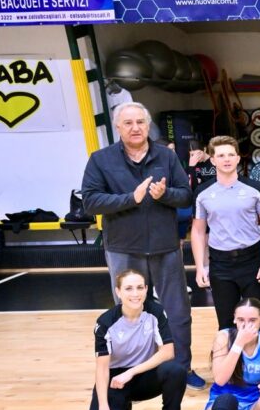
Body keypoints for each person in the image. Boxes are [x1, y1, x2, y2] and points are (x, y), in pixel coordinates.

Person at [81, 102, 197, 389]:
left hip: (165, 247)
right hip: (123, 248)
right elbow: (90, 202)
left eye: (140, 122)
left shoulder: (166, 156)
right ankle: (133, 370)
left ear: (148, 125)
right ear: (118, 127)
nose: (135, 128)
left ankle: (181, 368)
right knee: (129, 313)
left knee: (178, 312)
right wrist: (129, 199)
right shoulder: (101, 159)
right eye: (128, 123)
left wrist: (164, 194)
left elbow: (186, 195)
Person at [88, 269, 186, 410]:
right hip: (116, 380)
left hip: (144, 375)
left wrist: (131, 372)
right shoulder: (105, 323)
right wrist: (103, 409)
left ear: (146, 289)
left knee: (175, 371)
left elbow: (168, 352)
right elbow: (101, 369)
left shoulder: (156, 312)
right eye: (128, 288)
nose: (135, 294)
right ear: (118, 292)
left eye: (140, 287)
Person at [191, 136, 260, 336]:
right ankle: (231, 357)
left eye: (230, 154)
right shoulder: (202, 193)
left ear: (238, 158)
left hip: (252, 261)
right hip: (220, 265)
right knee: (227, 324)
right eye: (221, 155)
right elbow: (198, 231)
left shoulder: (255, 189)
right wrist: (200, 267)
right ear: (212, 160)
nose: (226, 159)